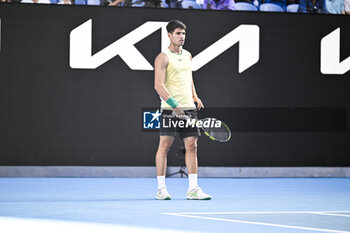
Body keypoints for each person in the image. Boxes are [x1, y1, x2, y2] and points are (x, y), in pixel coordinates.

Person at [154, 20, 211, 200]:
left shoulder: (188, 55)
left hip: (189, 107)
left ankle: (193, 189)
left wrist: (195, 95)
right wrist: (175, 106)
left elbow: (189, 77)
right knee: (164, 146)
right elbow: (158, 86)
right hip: (170, 109)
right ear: (169, 35)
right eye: (178, 33)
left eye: (184, 34)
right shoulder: (162, 57)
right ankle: (161, 189)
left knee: (192, 146)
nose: (182, 37)